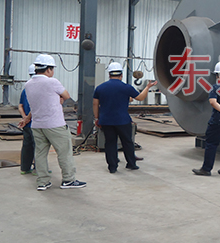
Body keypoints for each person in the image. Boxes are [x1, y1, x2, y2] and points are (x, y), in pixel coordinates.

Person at [19, 54, 86, 191]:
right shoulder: (52, 82)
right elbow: (67, 96)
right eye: (52, 69)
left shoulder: (28, 84)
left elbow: (36, 105)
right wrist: (59, 99)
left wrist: (27, 119)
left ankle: (42, 182)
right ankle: (68, 180)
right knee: (64, 152)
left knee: (40, 153)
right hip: (55, 124)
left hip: (37, 125)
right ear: (48, 69)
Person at [93, 62, 157, 173]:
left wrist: (97, 118)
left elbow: (95, 104)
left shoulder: (100, 88)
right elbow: (140, 98)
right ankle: (131, 164)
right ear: (121, 75)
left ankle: (112, 167)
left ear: (109, 74)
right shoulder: (126, 87)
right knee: (127, 142)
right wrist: (147, 87)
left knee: (110, 143)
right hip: (122, 120)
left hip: (106, 121)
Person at [18, 64, 36, 175]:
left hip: (27, 124)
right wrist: (28, 118)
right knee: (39, 147)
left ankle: (25, 168)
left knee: (27, 146)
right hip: (36, 124)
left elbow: (20, 106)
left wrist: (24, 117)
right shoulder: (39, 89)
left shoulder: (25, 89)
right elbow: (36, 107)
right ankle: (38, 169)